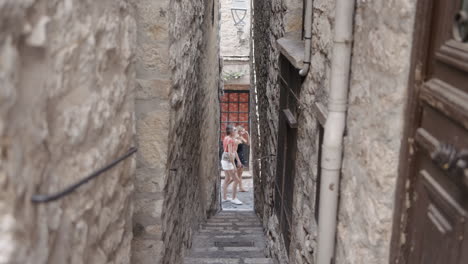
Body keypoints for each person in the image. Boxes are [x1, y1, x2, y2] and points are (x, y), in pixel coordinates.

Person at [221, 125, 243, 205]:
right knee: (237, 180)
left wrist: (239, 161)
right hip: (228, 161)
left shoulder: (226, 138)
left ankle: (224, 197)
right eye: (234, 129)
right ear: (231, 131)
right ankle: (234, 198)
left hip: (224, 160)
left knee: (227, 179)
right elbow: (230, 153)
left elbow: (234, 151)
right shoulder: (230, 140)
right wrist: (234, 166)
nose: (236, 130)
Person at [235, 126, 249, 192]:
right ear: (239, 131)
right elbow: (235, 150)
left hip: (241, 155)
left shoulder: (241, 137)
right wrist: (238, 160)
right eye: (242, 131)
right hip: (238, 156)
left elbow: (248, 143)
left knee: (240, 173)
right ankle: (227, 185)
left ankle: (241, 187)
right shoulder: (236, 138)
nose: (243, 132)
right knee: (237, 174)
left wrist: (247, 135)